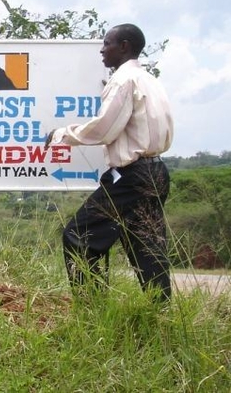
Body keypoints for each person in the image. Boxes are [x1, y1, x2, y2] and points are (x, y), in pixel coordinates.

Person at [45, 23, 174, 302]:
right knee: (147, 248)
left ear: (124, 46)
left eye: (107, 43)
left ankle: (93, 312)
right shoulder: (149, 80)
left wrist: (61, 135)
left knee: (78, 237)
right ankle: (162, 315)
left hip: (131, 176)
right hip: (156, 172)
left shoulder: (123, 80)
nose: (102, 50)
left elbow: (105, 129)